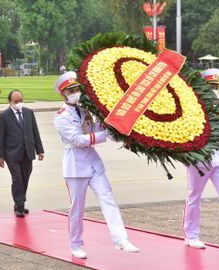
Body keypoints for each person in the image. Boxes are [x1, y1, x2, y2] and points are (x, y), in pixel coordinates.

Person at [53, 71, 139, 258]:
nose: (76, 92)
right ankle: (76, 245)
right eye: (71, 90)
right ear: (63, 94)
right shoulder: (61, 116)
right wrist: (105, 136)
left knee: (108, 198)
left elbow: (100, 128)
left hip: (93, 163)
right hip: (75, 165)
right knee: (77, 208)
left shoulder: (86, 110)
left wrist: (115, 131)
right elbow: (78, 140)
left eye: (77, 88)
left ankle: (121, 238)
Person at [183, 68, 219, 249]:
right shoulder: (192, 107)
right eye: (210, 86)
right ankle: (191, 235)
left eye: (215, 86)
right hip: (199, 159)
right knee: (194, 196)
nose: (213, 90)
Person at [0, 89, 44, 218]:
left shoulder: (29, 112)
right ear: (10, 102)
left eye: (21, 100)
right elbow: (0, 138)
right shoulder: (4, 116)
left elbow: (35, 131)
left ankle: (19, 202)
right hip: (11, 154)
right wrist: (0, 156)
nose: (19, 103)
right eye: (16, 101)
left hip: (28, 152)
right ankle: (20, 205)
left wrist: (40, 150)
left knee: (25, 179)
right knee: (17, 179)